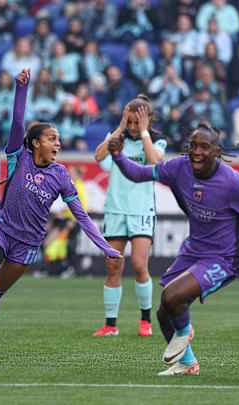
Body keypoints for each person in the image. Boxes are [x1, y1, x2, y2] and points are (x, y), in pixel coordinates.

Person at [0, 68, 122, 358]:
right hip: (2, 230)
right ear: (35, 143)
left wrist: (106, 248)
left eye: (58, 139)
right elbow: (18, 121)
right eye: (51, 138)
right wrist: (22, 89)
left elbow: (81, 216)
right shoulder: (17, 157)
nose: (57, 144)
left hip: (28, 244)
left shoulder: (61, 175)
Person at [107, 123, 239, 375]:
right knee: (164, 313)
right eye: (193, 145)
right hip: (193, 250)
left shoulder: (234, 183)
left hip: (223, 258)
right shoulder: (178, 167)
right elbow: (139, 174)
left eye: (204, 147)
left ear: (216, 151)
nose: (196, 151)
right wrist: (117, 157)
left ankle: (185, 333)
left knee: (172, 297)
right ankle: (187, 364)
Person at [93, 95, 166, 337]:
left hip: (141, 210)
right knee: (113, 266)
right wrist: (120, 128)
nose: (133, 127)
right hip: (116, 209)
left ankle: (146, 320)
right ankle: (111, 325)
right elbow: (99, 156)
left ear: (146, 121)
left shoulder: (157, 141)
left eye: (137, 123)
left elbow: (155, 161)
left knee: (138, 264)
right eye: (130, 122)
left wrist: (144, 133)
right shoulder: (119, 137)